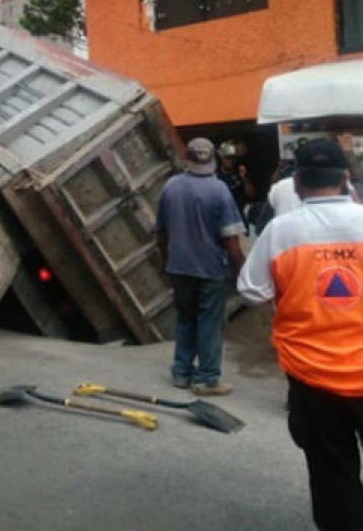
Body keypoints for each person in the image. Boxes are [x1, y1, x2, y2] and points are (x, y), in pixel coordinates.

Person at [238, 138, 363, 531]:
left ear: (296, 185)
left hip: (313, 377)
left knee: (332, 473)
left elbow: (251, 291)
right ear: (346, 178)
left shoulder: (281, 231)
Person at [156, 137, 245, 396]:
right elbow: (231, 240)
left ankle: (182, 373)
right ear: (213, 161)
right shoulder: (219, 190)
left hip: (179, 266)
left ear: (187, 160)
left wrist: (165, 259)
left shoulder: (170, 187)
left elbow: (161, 232)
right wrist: (242, 272)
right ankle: (207, 378)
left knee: (185, 318)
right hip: (210, 268)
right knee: (209, 321)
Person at [216, 140, 256, 235]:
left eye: (233, 158)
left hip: (239, 217)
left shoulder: (240, 173)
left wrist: (244, 178)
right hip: (221, 217)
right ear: (222, 158)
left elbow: (252, 195)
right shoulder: (215, 175)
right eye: (227, 158)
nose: (231, 160)